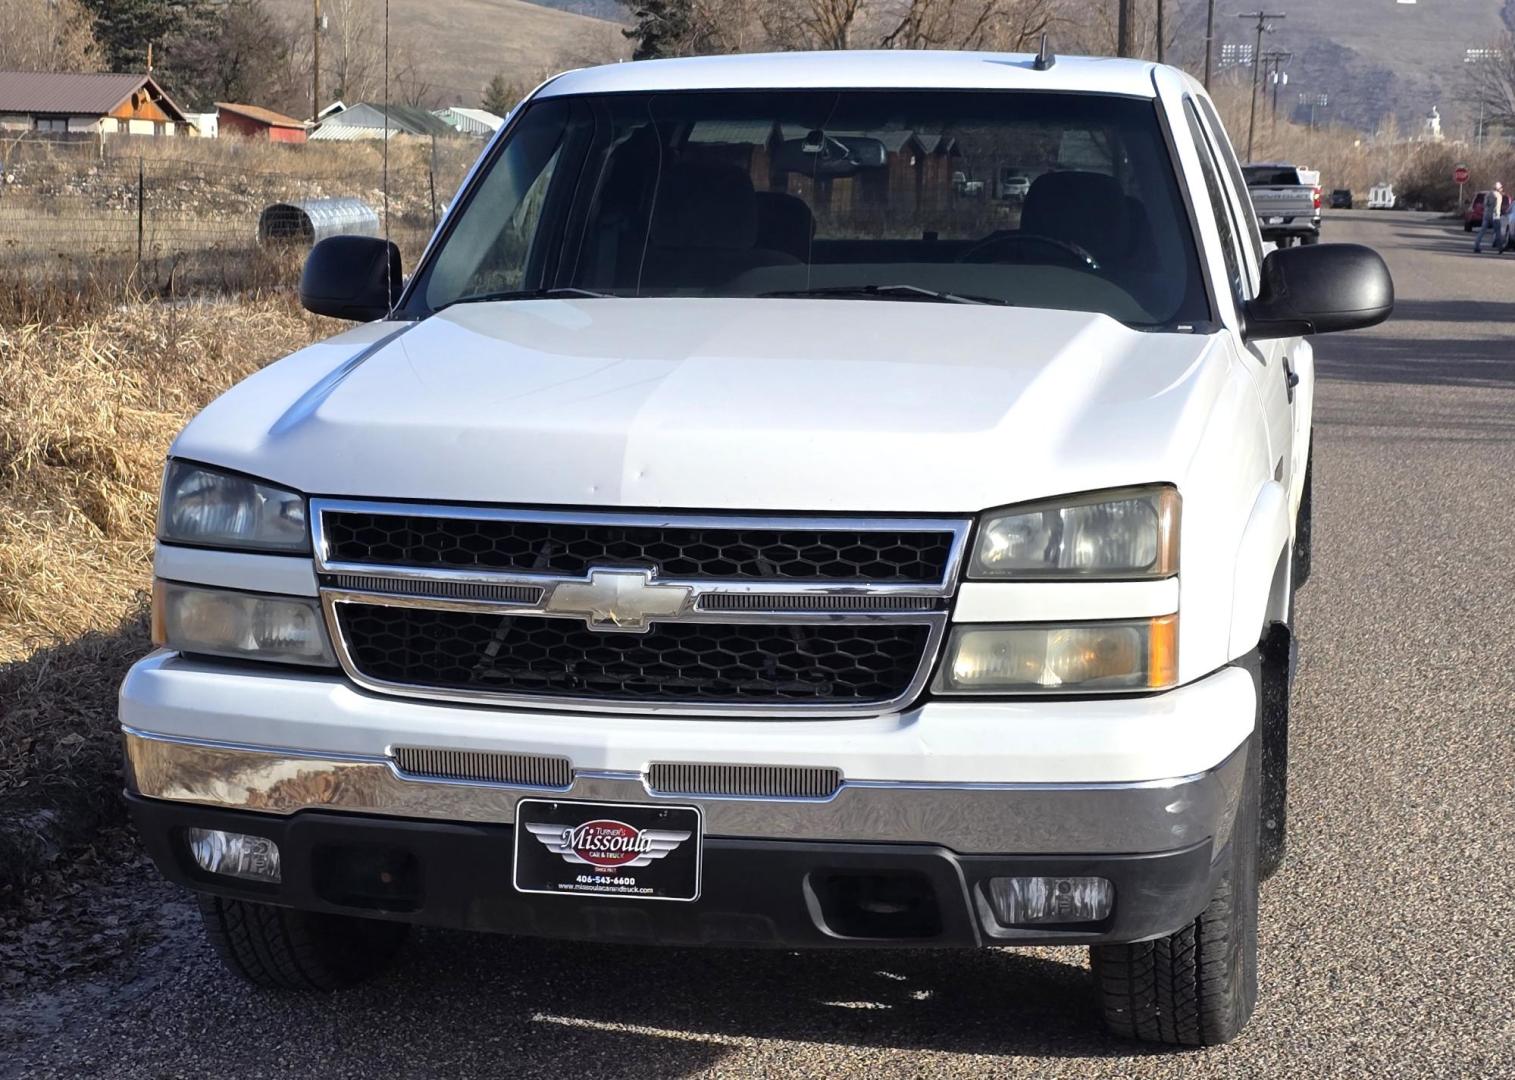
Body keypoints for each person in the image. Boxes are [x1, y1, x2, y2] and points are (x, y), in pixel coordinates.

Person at [1474, 182, 1505, 253]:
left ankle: (1476, 246)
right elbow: (1497, 207)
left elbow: (1485, 204)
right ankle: (1500, 247)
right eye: (1501, 188)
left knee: (1482, 231)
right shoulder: (1498, 196)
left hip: (1486, 215)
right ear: (1498, 188)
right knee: (1497, 232)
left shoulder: (1488, 194)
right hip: (1495, 216)